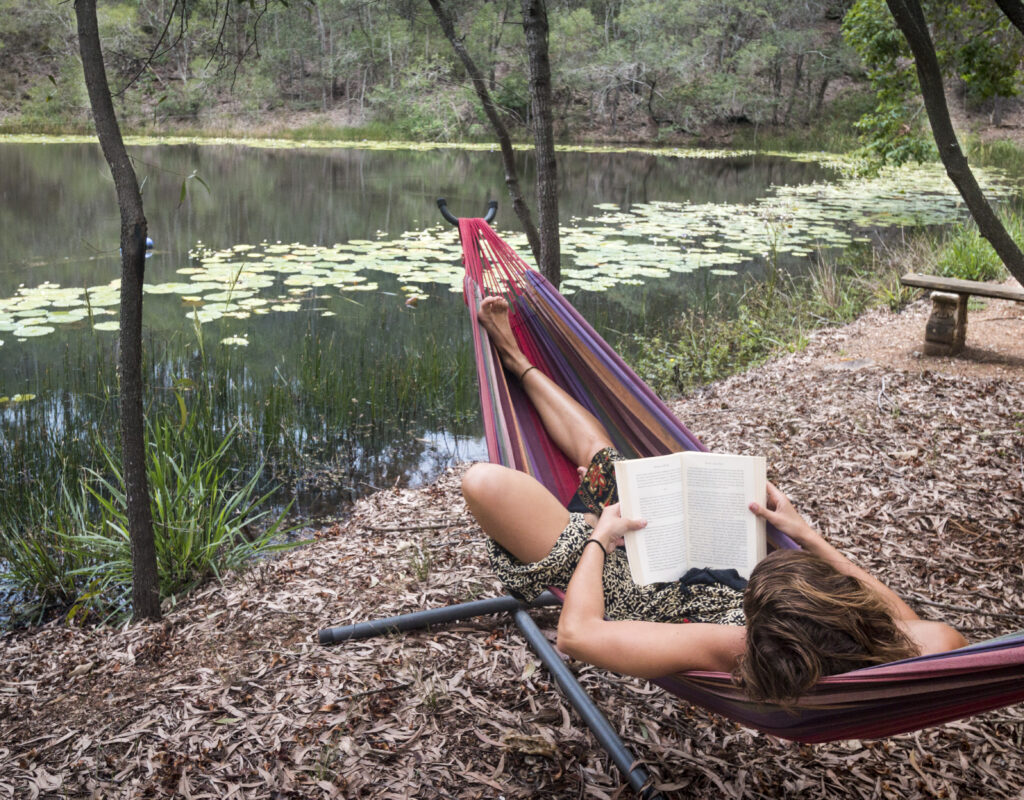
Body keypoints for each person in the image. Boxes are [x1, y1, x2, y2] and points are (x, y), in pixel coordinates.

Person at [462, 296, 967, 704]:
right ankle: (519, 362)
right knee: (610, 465)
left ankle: (517, 362)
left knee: (489, 482)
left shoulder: (731, 643)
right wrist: (805, 534)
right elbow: (910, 623)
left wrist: (599, 535)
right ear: (848, 610)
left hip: (639, 586)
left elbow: (577, 635)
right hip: (726, 577)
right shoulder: (910, 643)